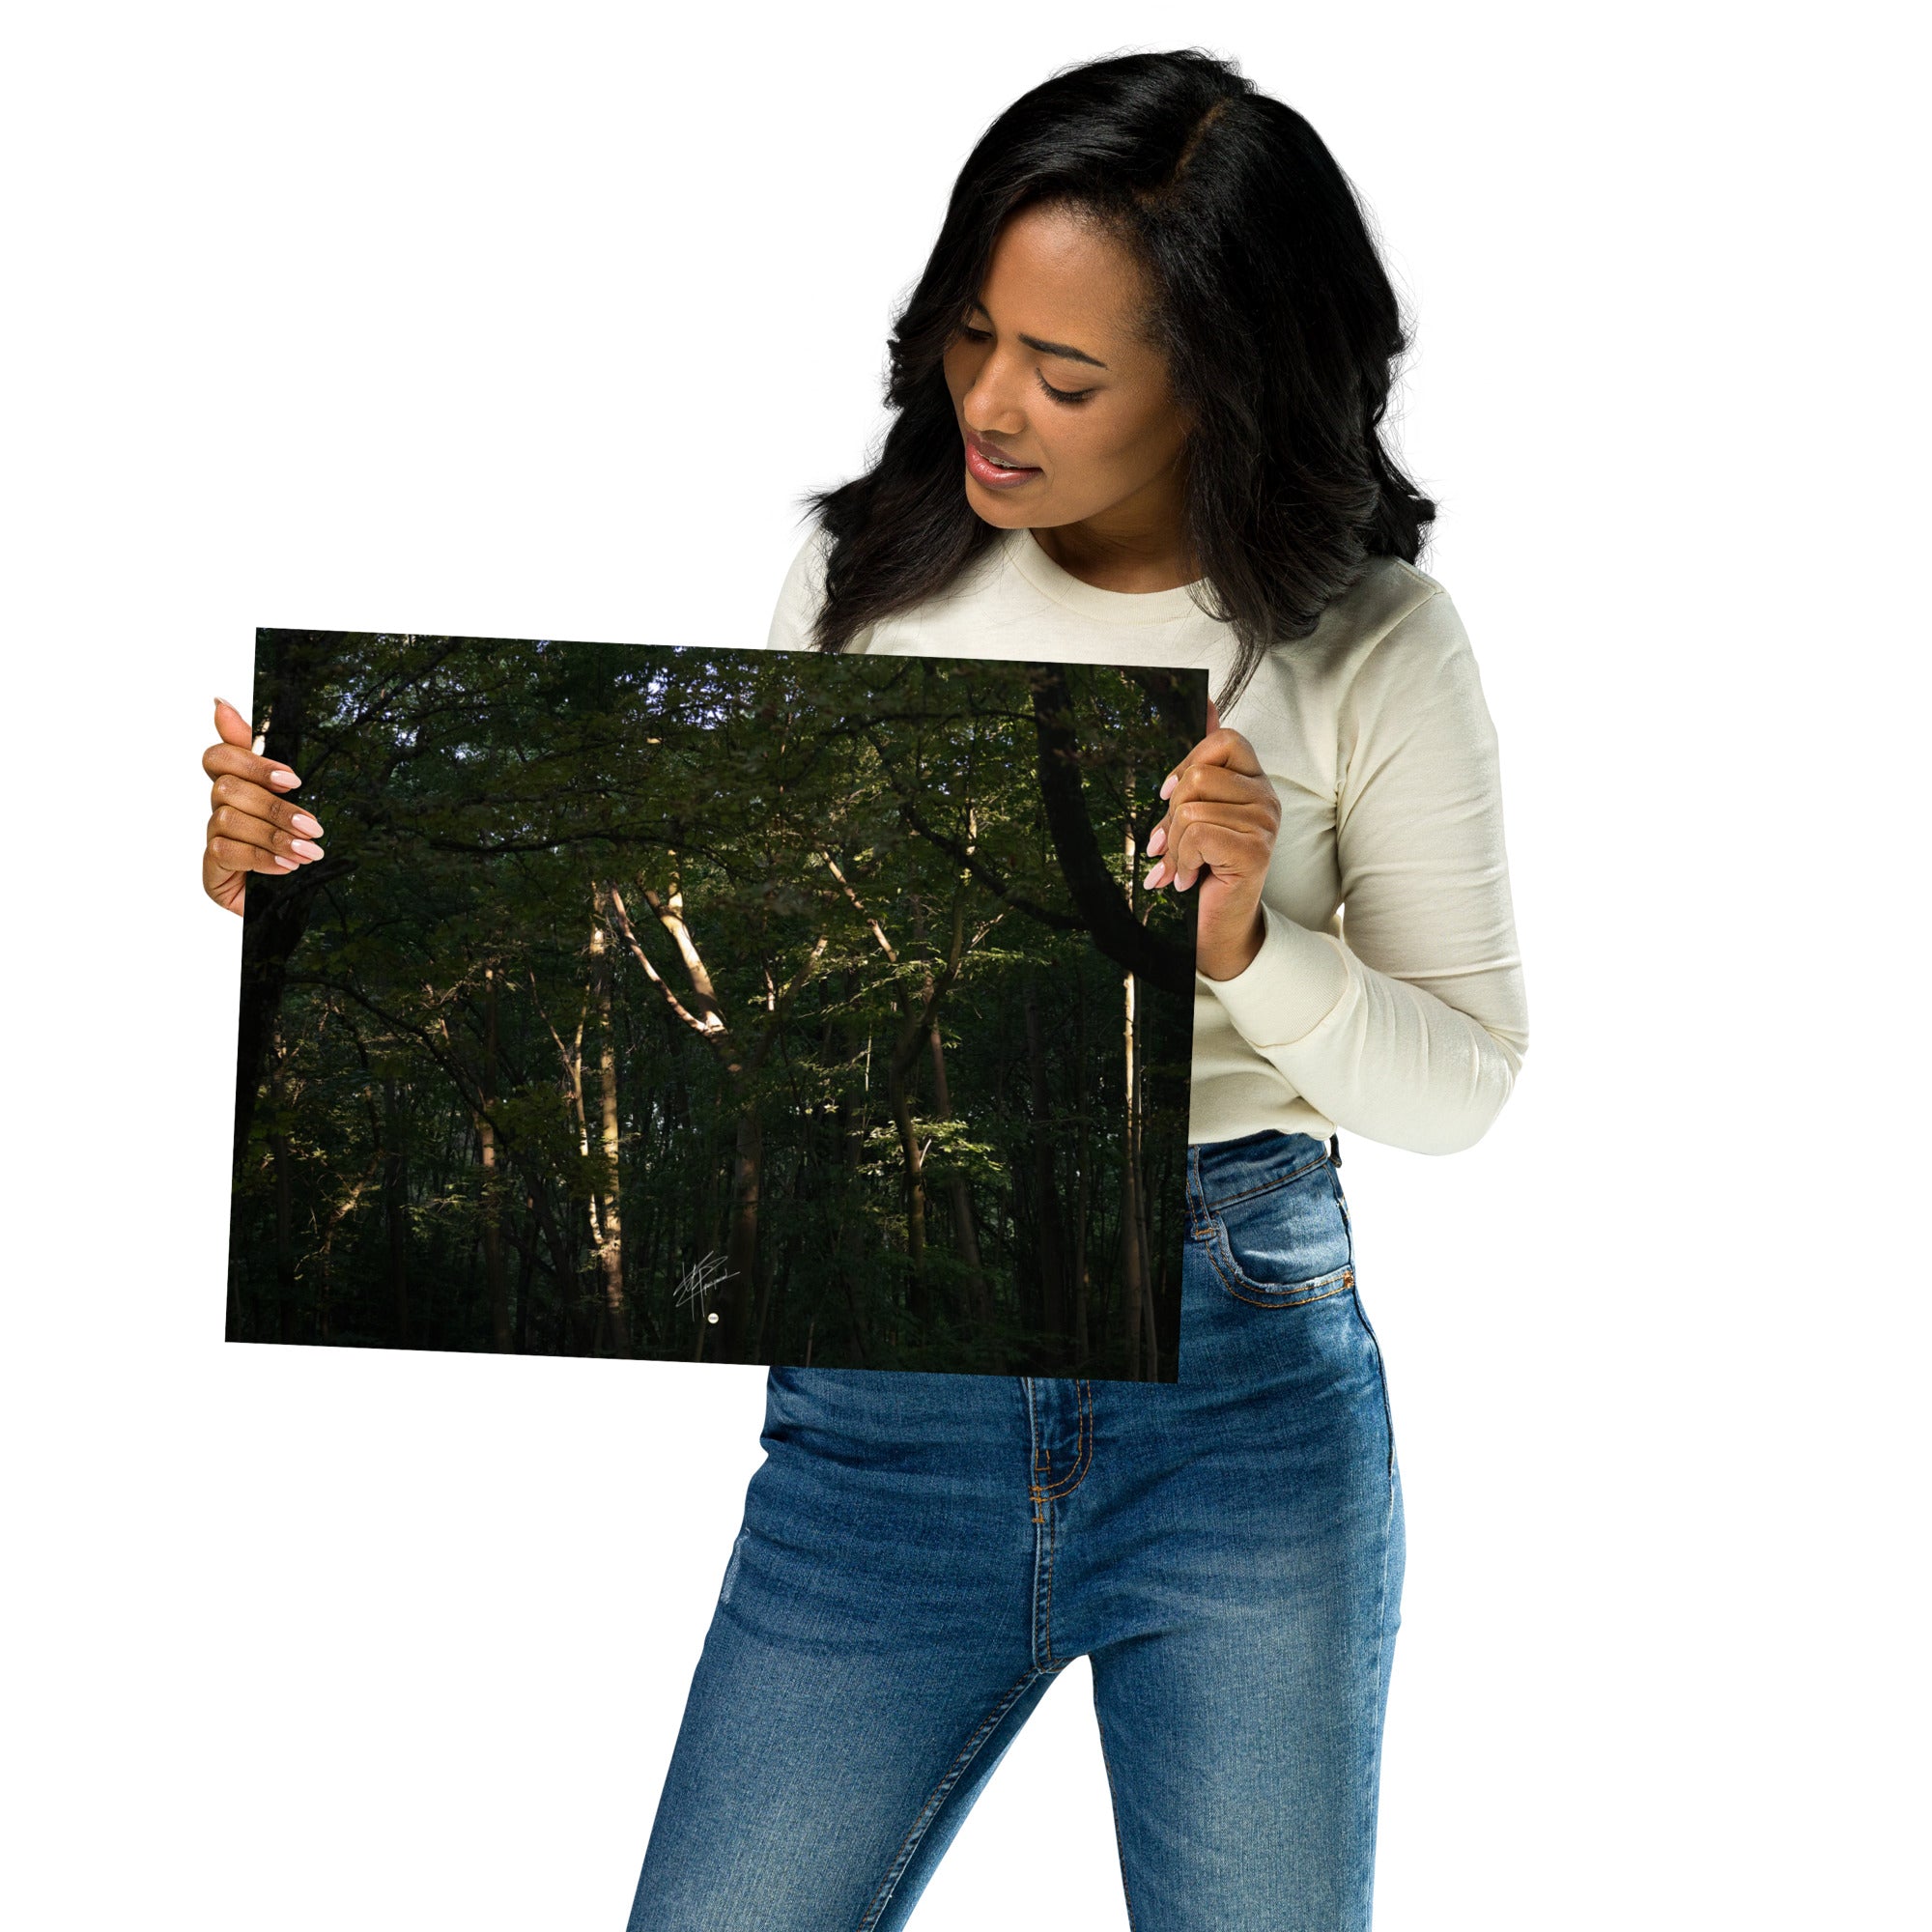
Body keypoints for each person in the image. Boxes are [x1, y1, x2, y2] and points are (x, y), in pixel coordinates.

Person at [199, 47, 1528, 1932]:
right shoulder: (864, 576)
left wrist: (1247, 946)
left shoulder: (1371, 641)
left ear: (1223, 380)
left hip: (1236, 1390)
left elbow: (1465, 1081)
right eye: (971, 334)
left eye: (1064, 375)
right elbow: (714, 989)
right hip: (881, 1421)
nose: (990, 402)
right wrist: (329, 884)